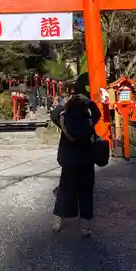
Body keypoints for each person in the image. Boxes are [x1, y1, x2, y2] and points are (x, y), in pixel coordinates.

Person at [50, 74, 101, 237]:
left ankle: (58, 221)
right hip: (86, 161)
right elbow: (98, 114)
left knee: (65, 191)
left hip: (69, 162)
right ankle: (85, 226)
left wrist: (65, 104)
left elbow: (54, 113)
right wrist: (90, 102)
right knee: (86, 192)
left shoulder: (64, 119)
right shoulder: (88, 121)